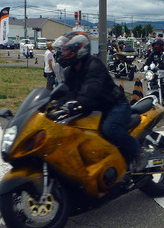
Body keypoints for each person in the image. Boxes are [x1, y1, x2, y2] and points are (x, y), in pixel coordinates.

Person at [53, 31, 146, 171]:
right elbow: (69, 92)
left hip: (115, 106)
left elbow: (90, 90)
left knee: (110, 129)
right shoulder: (70, 72)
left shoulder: (94, 65)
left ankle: (138, 153)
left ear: (79, 50)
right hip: (94, 109)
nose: (63, 53)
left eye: (66, 50)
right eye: (63, 50)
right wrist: (55, 104)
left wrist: (77, 103)